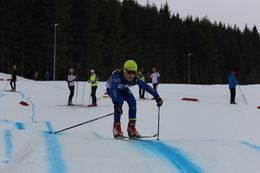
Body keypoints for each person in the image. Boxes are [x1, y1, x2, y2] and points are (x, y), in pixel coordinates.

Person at [106, 60, 163, 139]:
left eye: (134, 72)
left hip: (123, 89)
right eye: (129, 72)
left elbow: (146, 86)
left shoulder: (135, 79)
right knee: (119, 101)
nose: (132, 75)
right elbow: (113, 89)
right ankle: (116, 127)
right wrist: (116, 105)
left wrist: (157, 97)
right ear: (124, 70)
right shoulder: (118, 75)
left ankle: (131, 127)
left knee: (132, 102)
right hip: (112, 89)